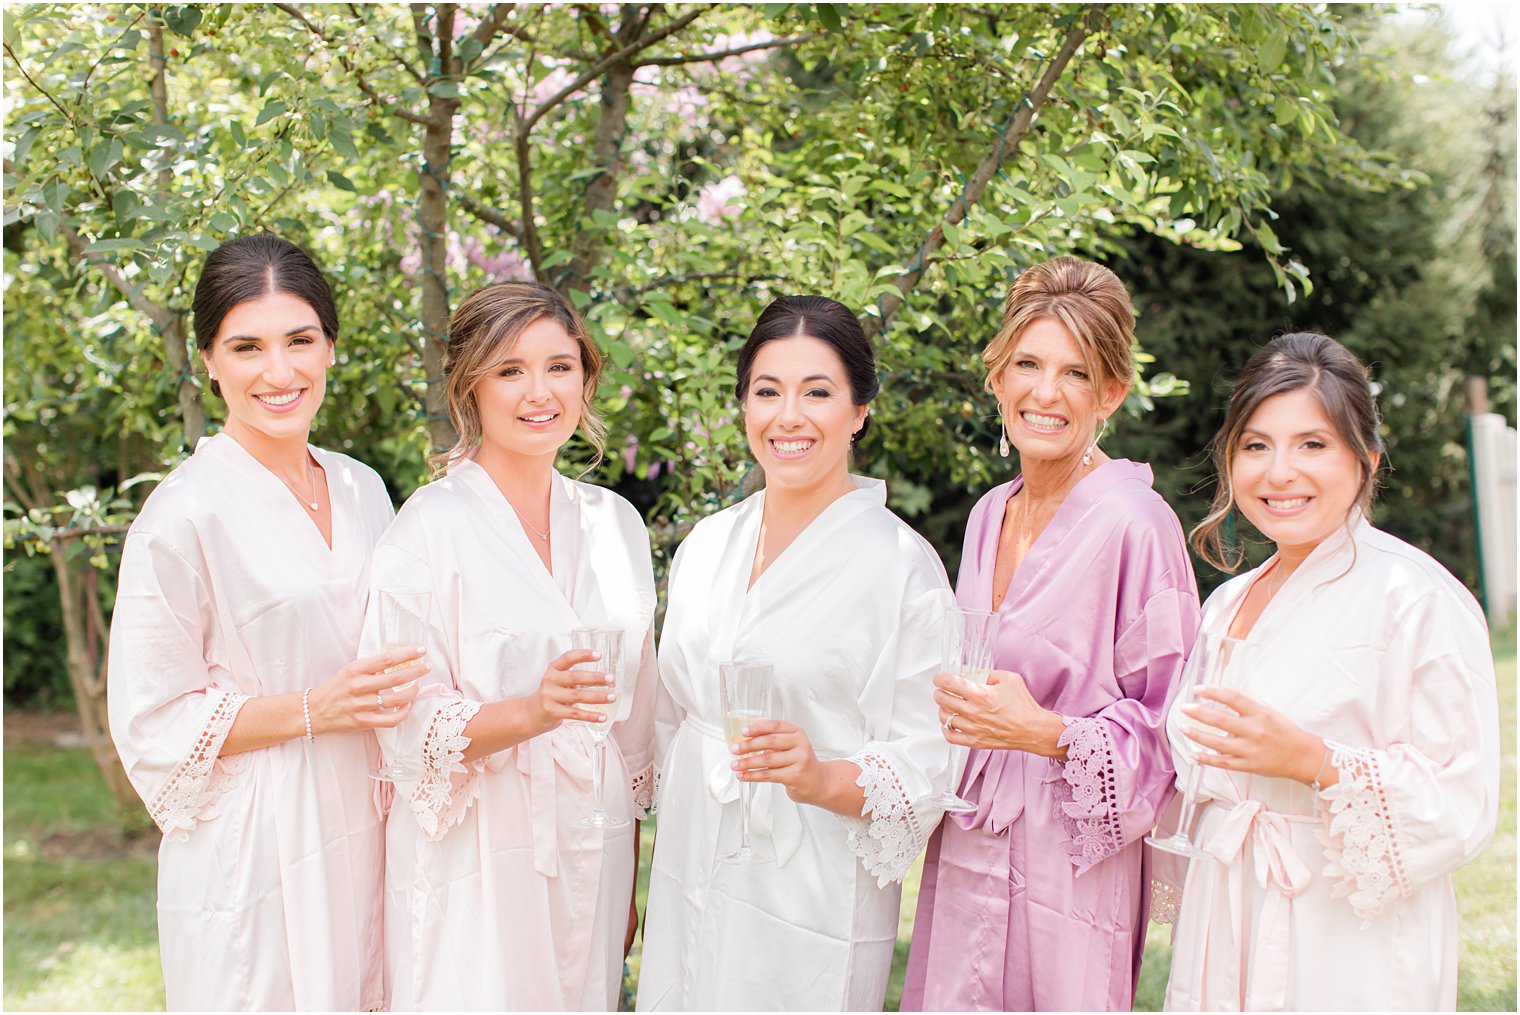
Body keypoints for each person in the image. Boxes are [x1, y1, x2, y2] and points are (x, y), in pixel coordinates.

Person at [107, 234, 425, 1010]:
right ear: (209, 359)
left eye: (299, 341)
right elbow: (150, 721)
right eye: (247, 346)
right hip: (254, 840)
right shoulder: (182, 515)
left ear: (330, 347)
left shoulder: (362, 488)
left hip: (370, 823)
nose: (278, 372)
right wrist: (315, 709)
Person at [1156, 332, 1499, 1011]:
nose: (1279, 471)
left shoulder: (1415, 599)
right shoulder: (1226, 601)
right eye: (1256, 445)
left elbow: (1461, 802)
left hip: (1344, 935)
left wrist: (1314, 760)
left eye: (1312, 444)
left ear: (1366, 459)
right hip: (1229, 907)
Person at [636, 296, 956, 1011]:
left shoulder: (901, 567)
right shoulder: (706, 545)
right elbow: (669, 716)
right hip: (694, 853)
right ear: (743, 404)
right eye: (767, 391)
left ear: (860, 409)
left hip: (812, 876)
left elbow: (926, 763)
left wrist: (818, 774)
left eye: (818, 392)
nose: (789, 416)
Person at [902, 256, 1200, 1011]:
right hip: (969, 842)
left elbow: (1174, 728)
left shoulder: (1139, 524)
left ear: (1111, 393)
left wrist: (1049, 732)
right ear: (997, 377)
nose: (1045, 392)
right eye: (1027, 364)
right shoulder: (986, 515)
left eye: (1075, 372)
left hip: (1072, 858)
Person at [365, 281, 657, 1011]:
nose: (540, 391)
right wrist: (532, 711)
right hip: (477, 855)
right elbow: (399, 721)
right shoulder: (428, 528)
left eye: (560, 366)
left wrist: (626, 876)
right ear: (471, 385)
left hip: (594, 840)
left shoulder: (617, 523)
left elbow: (636, 722)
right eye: (510, 370)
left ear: (586, 376)